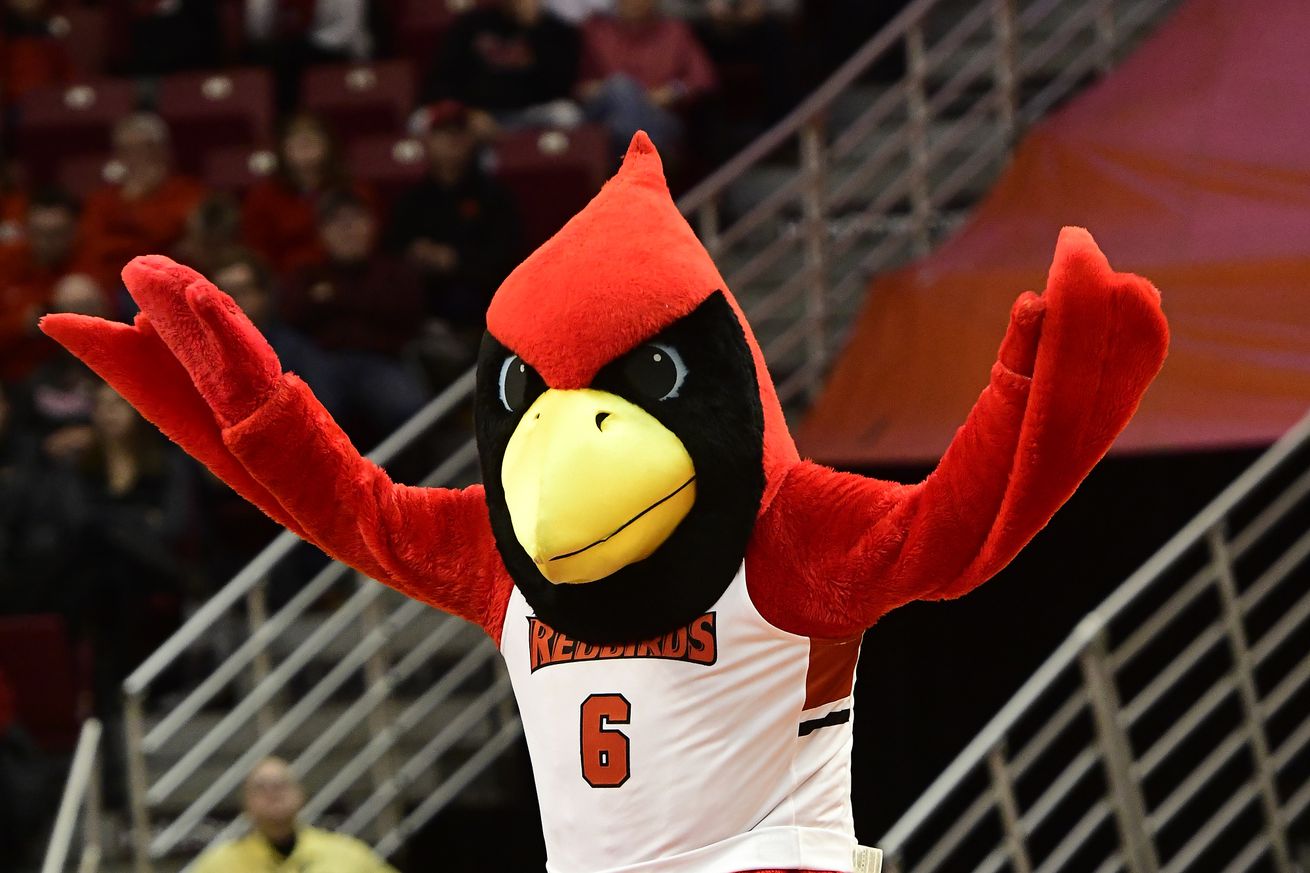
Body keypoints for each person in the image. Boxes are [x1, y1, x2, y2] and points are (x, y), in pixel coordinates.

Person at [282, 189, 428, 440]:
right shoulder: (308, 273)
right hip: (323, 362)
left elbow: (406, 313)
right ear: (322, 233)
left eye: (355, 220)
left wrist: (334, 298)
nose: (347, 231)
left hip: (382, 360)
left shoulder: (394, 270)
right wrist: (364, 303)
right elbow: (291, 313)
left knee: (408, 409)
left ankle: (403, 477)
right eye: (337, 223)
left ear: (372, 225)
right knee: (314, 414)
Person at [390, 101, 523, 339]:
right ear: (427, 141)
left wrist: (456, 259)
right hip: (425, 310)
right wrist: (418, 254)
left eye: (459, 132)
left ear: (472, 139)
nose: (452, 140)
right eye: (443, 133)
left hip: (483, 308)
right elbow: (393, 250)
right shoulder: (411, 201)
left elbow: (508, 252)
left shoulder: (494, 196)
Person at [192, 757, 399, 872]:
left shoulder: (349, 854)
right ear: (246, 804)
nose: (272, 793)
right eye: (261, 787)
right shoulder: (218, 865)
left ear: (301, 795)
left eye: (281, 784)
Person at [77, 113, 208, 294]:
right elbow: (96, 246)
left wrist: (133, 209)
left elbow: (171, 232)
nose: (137, 157)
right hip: (113, 284)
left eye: (146, 148)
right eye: (128, 150)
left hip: (169, 284)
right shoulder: (102, 200)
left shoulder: (187, 192)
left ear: (164, 151)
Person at [242, 113, 373, 281]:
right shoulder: (262, 197)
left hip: (352, 276)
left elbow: (369, 239)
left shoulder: (355, 190)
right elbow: (258, 254)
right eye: (296, 138)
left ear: (329, 143)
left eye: (312, 136)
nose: (305, 142)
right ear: (282, 147)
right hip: (287, 284)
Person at [578, 0, 717, 155]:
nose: (634, 3)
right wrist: (611, 90)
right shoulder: (596, 30)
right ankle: (648, 153)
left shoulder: (675, 31)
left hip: (658, 116)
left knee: (620, 125)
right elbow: (577, 85)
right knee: (620, 86)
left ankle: (637, 150)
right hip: (604, 114)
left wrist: (672, 91)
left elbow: (703, 78)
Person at [425, 0, 582, 134]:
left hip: (531, 112)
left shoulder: (555, 30)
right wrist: (468, 113)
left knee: (566, 115)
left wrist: (536, 29)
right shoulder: (472, 24)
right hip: (480, 114)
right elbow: (443, 79)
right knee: (422, 121)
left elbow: (560, 87)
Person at [0, 188, 88, 381]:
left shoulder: (87, 260)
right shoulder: (6, 261)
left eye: (56, 233)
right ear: (26, 229)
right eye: (38, 232)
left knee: (78, 290)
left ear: (74, 230)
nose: (46, 242)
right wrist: (22, 323)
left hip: (72, 368)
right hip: (14, 373)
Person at [244, 0, 380, 110]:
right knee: (264, 56)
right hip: (285, 51)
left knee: (297, 57)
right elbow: (257, 31)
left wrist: (306, 44)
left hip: (339, 48)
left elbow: (348, 29)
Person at [0, 0, 72, 106]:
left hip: (47, 102)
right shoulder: (6, 45)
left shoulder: (51, 42)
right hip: (14, 103)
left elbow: (67, 75)